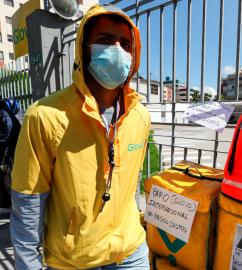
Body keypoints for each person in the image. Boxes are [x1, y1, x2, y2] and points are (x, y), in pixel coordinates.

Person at [11, 4, 151, 270]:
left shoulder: (140, 117)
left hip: (131, 252)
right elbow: (28, 202)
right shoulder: (44, 116)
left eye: (125, 43)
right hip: (73, 260)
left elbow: (131, 183)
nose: (117, 50)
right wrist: (28, 265)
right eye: (105, 40)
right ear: (84, 50)